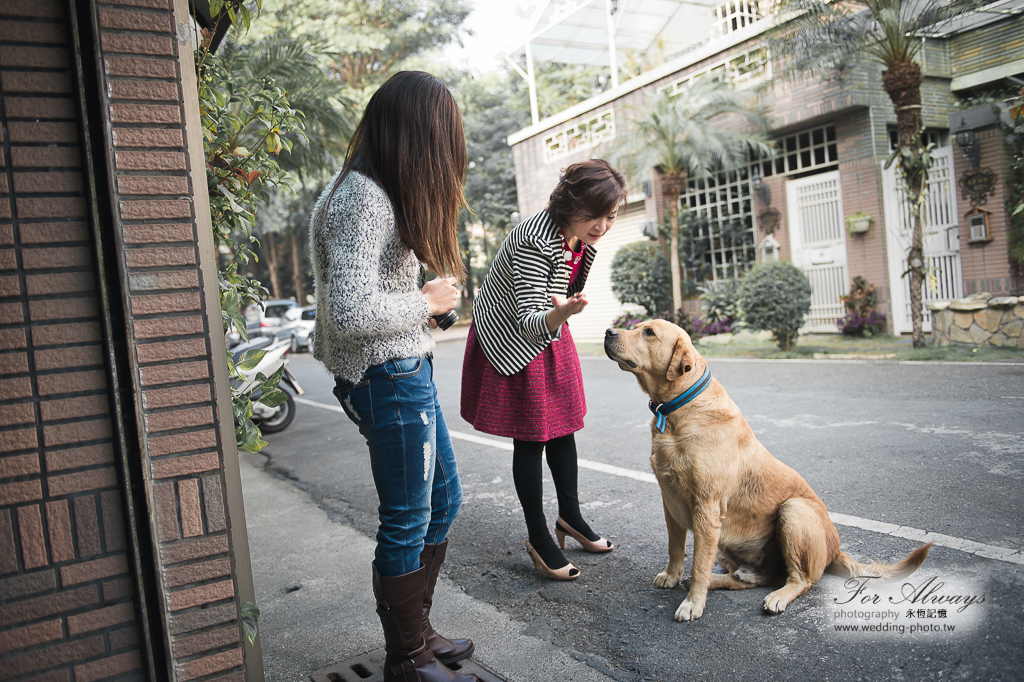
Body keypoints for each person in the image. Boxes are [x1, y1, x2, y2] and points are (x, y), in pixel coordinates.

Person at [309, 71, 478, 682]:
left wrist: (429, 304)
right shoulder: (362, 197)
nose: (448, 152)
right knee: (408, 515)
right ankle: (405, 655)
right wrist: (425, 303)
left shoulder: (372, 190)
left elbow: (372, 296)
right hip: (387, 378)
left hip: (403, 368)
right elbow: (349, 313)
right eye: (443, 135)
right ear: (417, 133)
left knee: (443, 501)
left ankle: (419, 633)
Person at [461, 159, 627, 580]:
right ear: (570, 203)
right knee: (532, 437)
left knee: (564, 427)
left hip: (551, 331)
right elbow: (529, 319)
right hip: (516, 338)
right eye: (595, 216)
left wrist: (564, 308)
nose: (602, 226)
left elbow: (560, 294)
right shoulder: (535, 240)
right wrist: (565, 312)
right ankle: (538, 536)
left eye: (610, 216)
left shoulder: (579, 236)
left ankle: (570, 517)